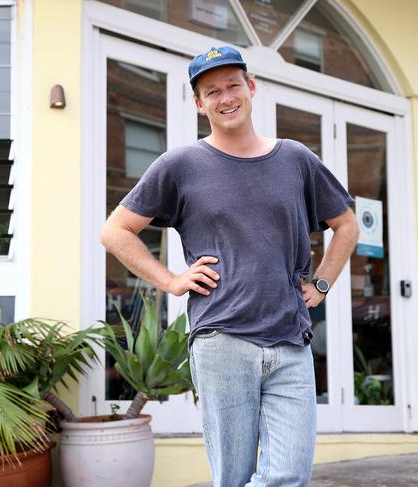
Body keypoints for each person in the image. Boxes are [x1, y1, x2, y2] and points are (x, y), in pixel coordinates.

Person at [101, 46, 360, 487]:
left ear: (251, 87)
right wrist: (172, 280)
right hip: (222, 341)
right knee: (233, 476)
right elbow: (116, 231)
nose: (225, 97)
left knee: (288, 473)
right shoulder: (181, 165)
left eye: (233, 85)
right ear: (199, 103)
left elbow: (347, 224)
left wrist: (322, 282)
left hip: (290, 342)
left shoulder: (296, 159)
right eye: (211, 91)